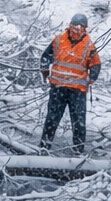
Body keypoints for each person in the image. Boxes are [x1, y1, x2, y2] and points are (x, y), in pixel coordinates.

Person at [39, 13, 101, 155]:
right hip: (58, 88)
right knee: (51, 120)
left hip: (77, 91)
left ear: (85, 29)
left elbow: (96, 63)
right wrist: (44, 70)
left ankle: (78, 152)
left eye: (81, 27)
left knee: (78, 123)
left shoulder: (89, 46)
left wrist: (93, 76)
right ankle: (43, 148)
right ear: (70, 25)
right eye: (75, 25)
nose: (77, 29)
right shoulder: (59, 40)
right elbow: (46, 56)